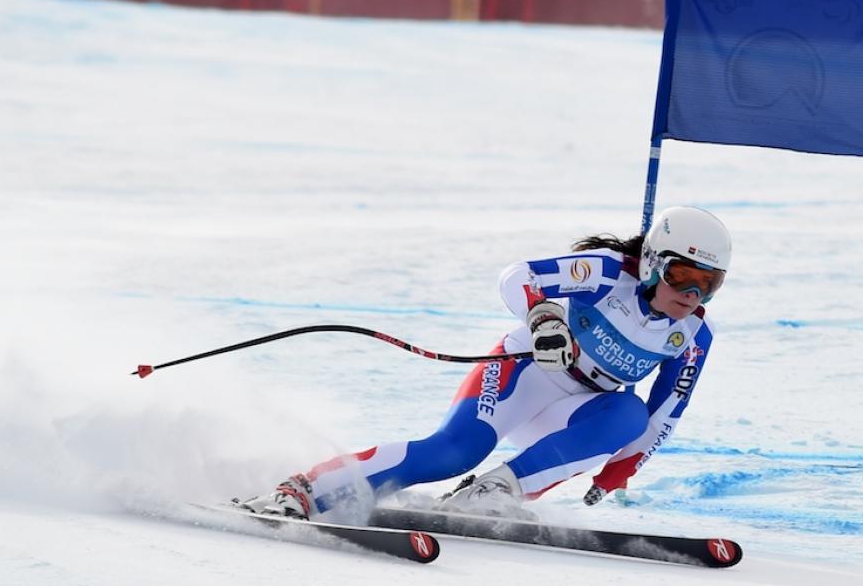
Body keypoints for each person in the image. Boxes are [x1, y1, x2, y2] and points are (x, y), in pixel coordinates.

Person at [236, 206, 731, 521]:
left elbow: (667, 413)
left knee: (629, 414)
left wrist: (619, 471)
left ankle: (494, 492)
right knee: (453, 452)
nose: (690, 294)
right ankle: (306, 488)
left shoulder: (692, 335)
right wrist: (543, 319)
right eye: (681, 275)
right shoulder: (603, 273)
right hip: (527, 373)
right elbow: (516, 277)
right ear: (651, 263)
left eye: (708, 284)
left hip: (578, 415)